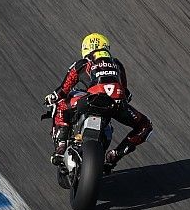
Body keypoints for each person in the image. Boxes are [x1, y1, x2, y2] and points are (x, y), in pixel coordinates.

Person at [44, 33, 152, 167]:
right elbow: (126, 94)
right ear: (106, 47)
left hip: (91, 100)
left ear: (86, 48)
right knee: (145, 125)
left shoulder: (83, 63)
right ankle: (115, 155)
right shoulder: (117, 64)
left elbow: (63, 90)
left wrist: (52, 97)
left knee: (60, 104)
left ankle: (60, 147)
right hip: (117, 105)